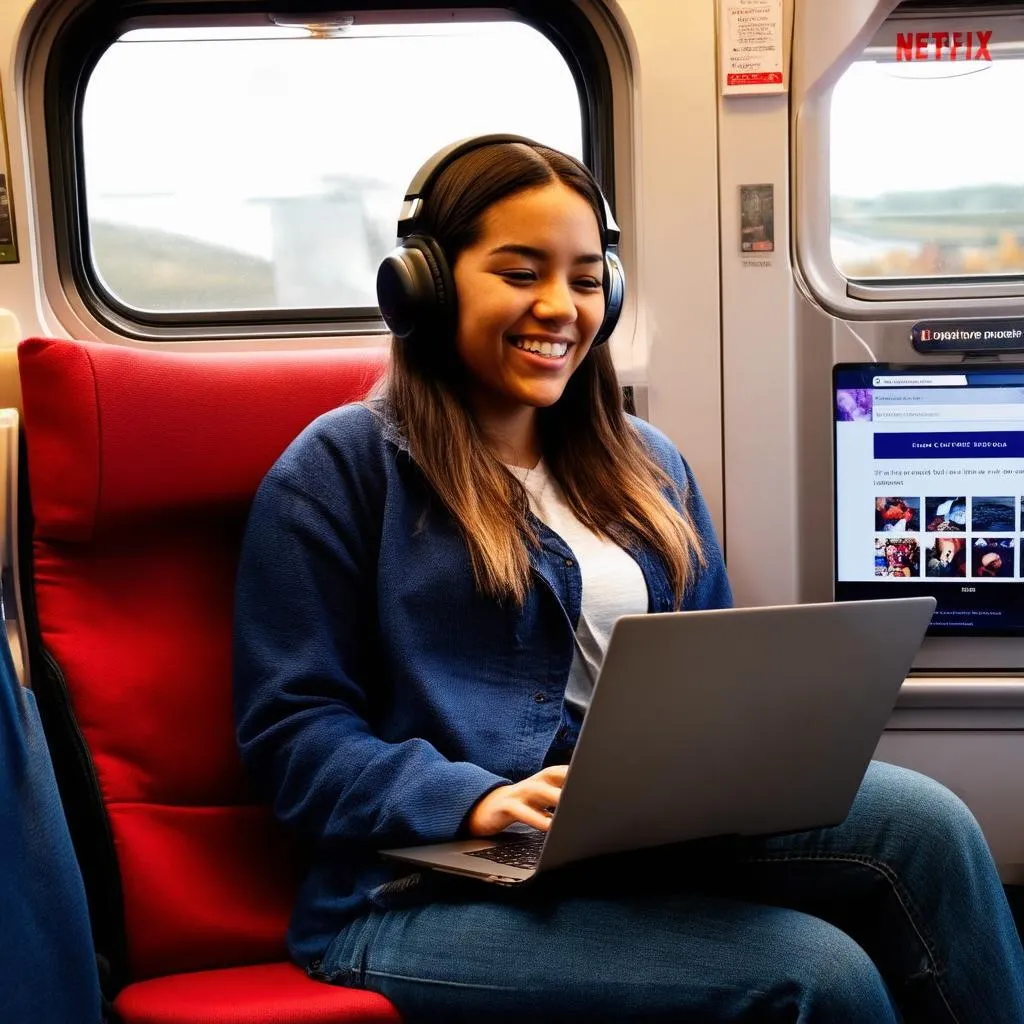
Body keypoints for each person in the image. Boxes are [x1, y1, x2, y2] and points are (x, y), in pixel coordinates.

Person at [233, 135, 1024, 1022]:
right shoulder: (340, 471)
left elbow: (714, 672)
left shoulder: (648, 464)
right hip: (419, 888)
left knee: (931, 828)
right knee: (821, 975)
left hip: (636, 832)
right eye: (519, 271)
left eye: (582, 277)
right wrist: (479, 798)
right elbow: (292, 737)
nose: (559, 307)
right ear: (425, 284)